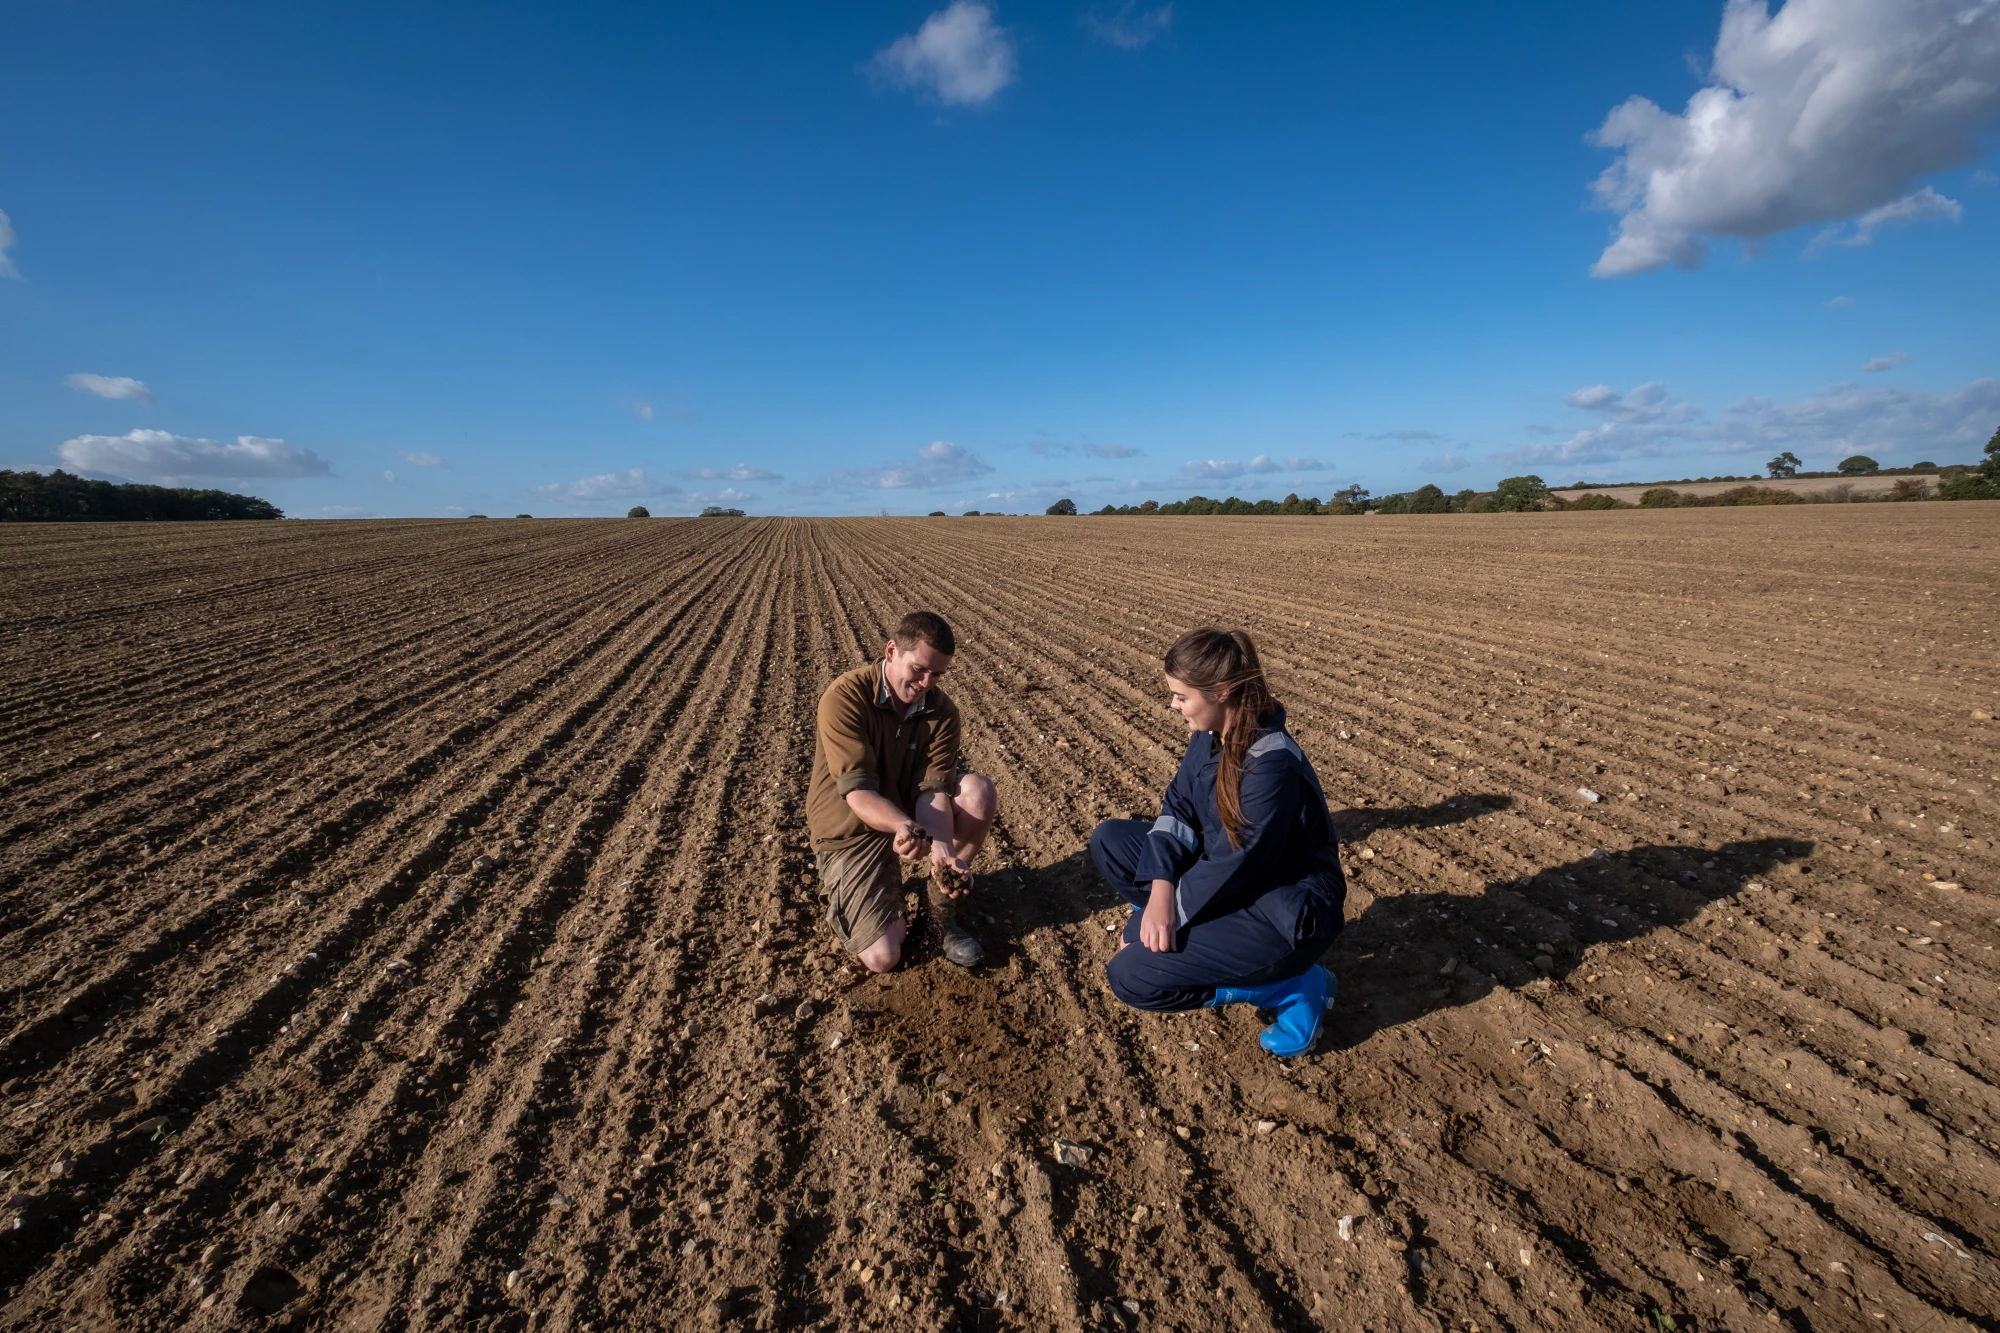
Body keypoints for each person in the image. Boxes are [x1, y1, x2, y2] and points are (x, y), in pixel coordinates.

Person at [1088, 627, 1344, 1056]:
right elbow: (1178, 808)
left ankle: (1293, 987)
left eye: (1180, 696)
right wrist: (1161, 890)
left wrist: (1149, 923)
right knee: (1110, 840)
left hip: (1284, 904)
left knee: (1132, 975)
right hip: (1233, 876)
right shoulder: (1209, 737)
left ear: (1221, 692)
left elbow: (1233, 867)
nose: (1172, 705)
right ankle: (1177, 931)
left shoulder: (1270, 765)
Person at [806, 610, 997, 972]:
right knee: (883, 957)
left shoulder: (942, 713)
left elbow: (933, 792)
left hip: (905, 812)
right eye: (919, 670)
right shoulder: (845, 697)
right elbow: (858, 792)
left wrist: (941, 853)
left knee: (978, 793)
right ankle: (849, 891)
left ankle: (938, 914)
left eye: (937, 674)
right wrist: (902, 827)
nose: (927, 682)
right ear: (891, 651)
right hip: (851, 830)